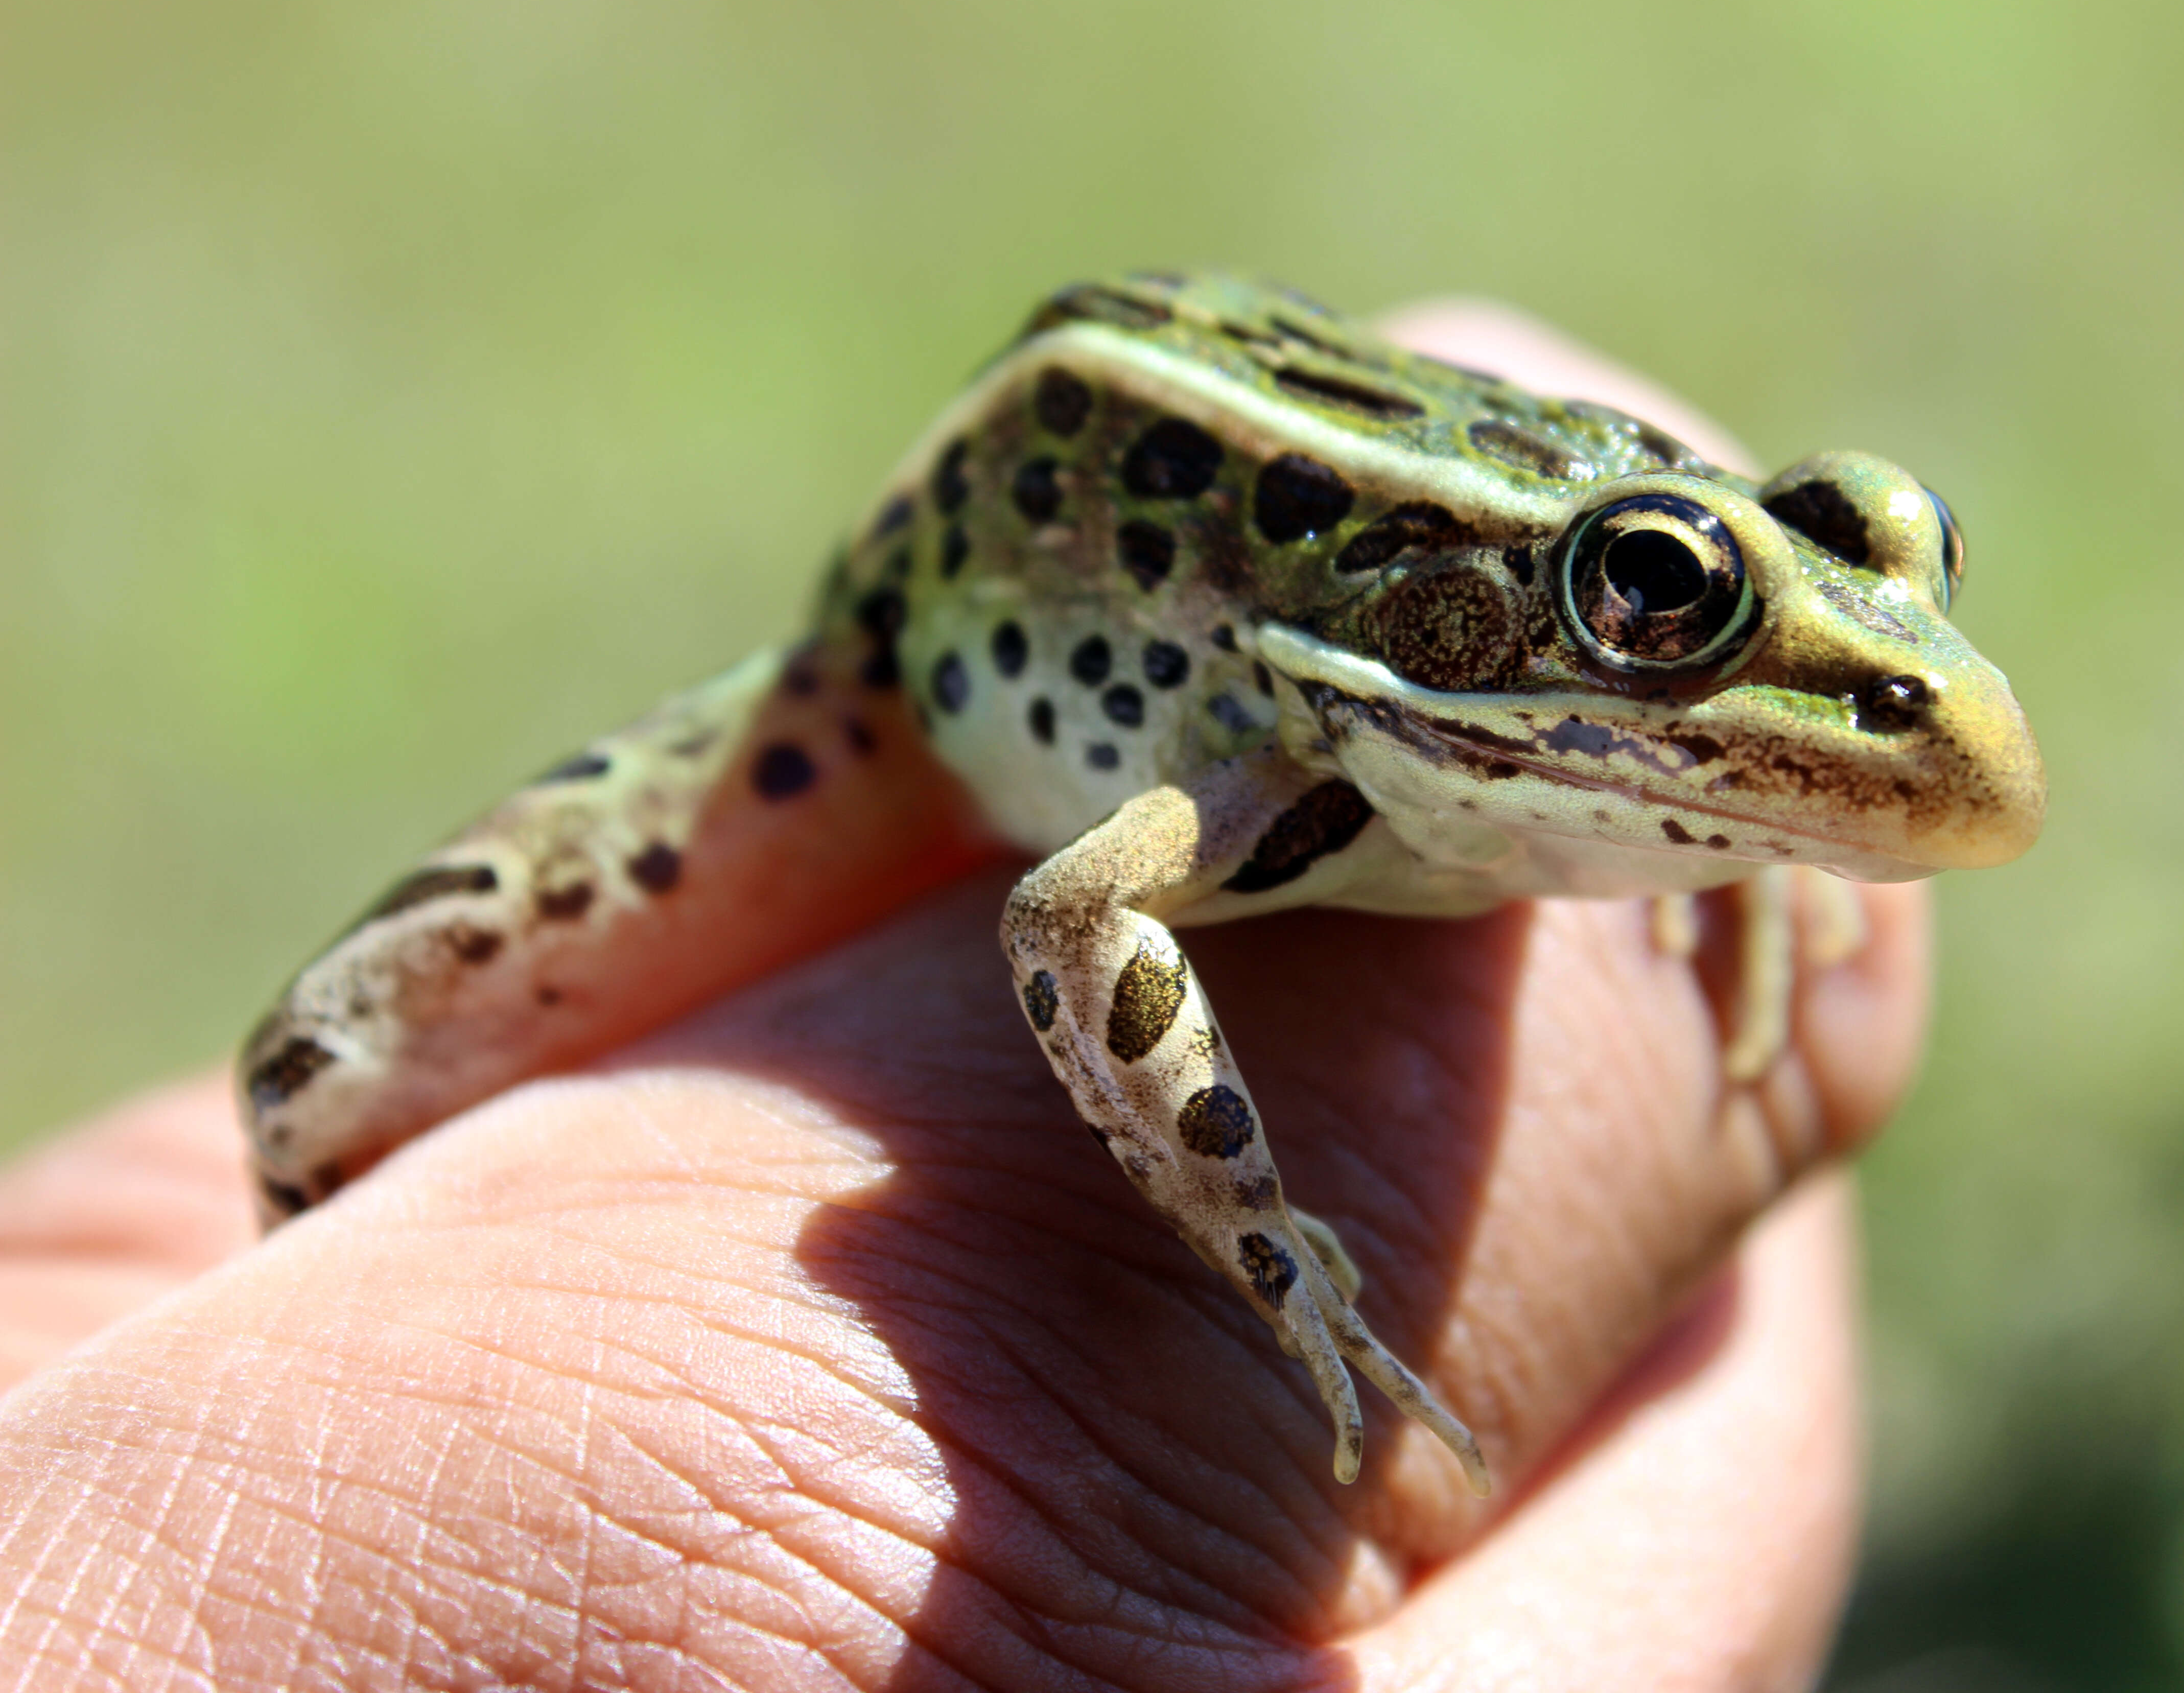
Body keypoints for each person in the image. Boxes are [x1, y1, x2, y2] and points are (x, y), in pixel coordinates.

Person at [0, 305, 1938, 1690]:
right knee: (336, 1061)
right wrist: (1268, 1244)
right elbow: (1079, 916)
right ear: (1465, 612)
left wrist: (1743, 819)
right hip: (907, 668)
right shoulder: (1294, 731)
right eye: (1667, 607)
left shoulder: (1644, 748)